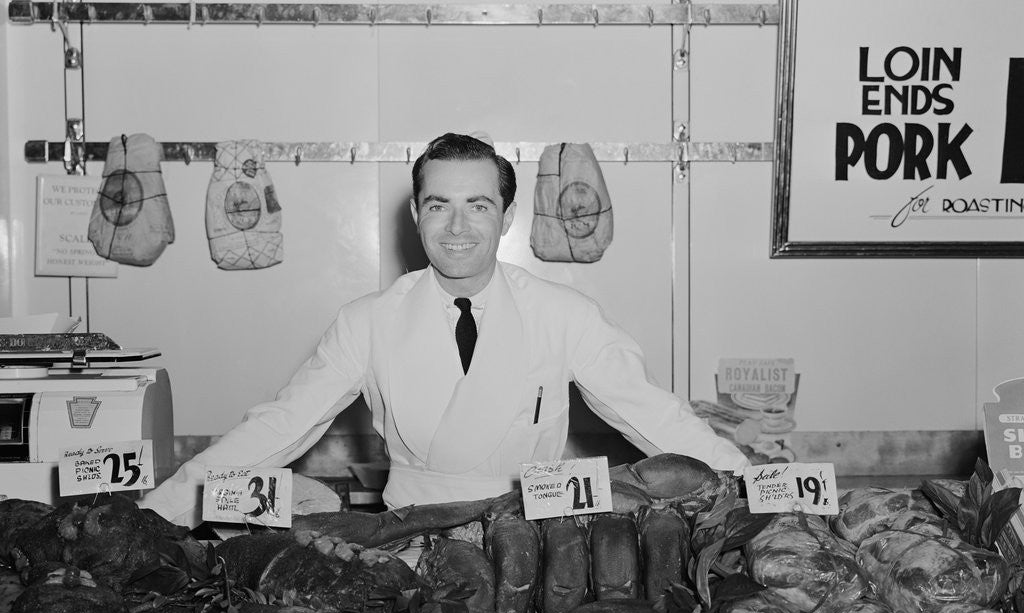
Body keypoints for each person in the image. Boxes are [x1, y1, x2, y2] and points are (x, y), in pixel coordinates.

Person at [140, 132, 749, 528]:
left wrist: (761, 491)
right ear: (416, 213)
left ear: (506, 216)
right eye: (438, 205)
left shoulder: (565, 315)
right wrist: (161, 512)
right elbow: (278, 428)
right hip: (410, 541)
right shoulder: (367, 322)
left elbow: (656, 417)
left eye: (478, 205)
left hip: (538, 540)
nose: (457, 226)